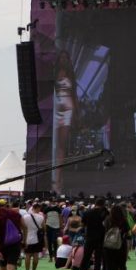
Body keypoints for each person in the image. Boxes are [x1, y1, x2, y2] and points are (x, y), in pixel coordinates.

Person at [51, 50, 78, 193]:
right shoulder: (54, 73)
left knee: (61, 144)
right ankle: (56, 177)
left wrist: (75, 114)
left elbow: (74, 95)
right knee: (55, 145)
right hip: (56, 109)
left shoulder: (71, 75)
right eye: (60, 57)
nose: (63, 60)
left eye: (65, 58)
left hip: (67, 109)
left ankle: (58, 179)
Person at [76, 198, 107, 270]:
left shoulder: (87, 212)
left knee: (85, 258)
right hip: (100, 238)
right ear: (103, 204)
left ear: (95, 203)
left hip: (89, 237)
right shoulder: (104, 212)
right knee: (98, 259)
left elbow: (82, 224)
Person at [101, 204, 130, 270]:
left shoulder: (107, 220)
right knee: (122, 267)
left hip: (108, 246)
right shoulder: (123, 220)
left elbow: (103, 231)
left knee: (109, 267)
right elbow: (127, 232)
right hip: (121, 246)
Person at [21, 203, 45, 270]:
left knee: (27, 255)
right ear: (37, 208)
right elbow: (44, 228)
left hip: (27, 237)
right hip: (37, 238)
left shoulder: (25, 217)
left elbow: (22, 227)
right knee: (35, 255)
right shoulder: (41, 217)